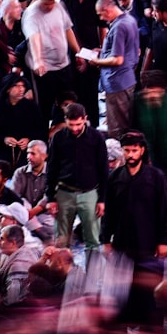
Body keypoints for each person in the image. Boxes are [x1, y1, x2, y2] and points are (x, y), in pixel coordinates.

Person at [102, 131, 167, 262]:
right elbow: (109, 212)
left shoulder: (156, 177)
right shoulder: (115, 177)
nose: (131, 155)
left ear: (142, 150)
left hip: (148, 240)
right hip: (122, 241)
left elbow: (164, 211)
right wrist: (105, 240)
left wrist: (163, 241)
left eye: (134, 150)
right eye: (127, 150)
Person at [47, 103, 108, 248]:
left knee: (93, 241)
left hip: (90, 193)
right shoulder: (58, 138)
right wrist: (51, 198)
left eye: (78, 124)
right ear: (65, 120)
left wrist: (102, 199)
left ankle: (93, 271)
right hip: (64, 193)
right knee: (61, 242)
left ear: (85, 119)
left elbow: (103, 170)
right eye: (71, 124)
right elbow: (52, 169)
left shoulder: (96, 137)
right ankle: (62, 271)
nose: (75, 128)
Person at [22, 0, 82, 125]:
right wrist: (38, 60)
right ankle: (43, 139)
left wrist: (78, 52)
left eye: (51, 3)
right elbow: (34, 38)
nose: (49, 7)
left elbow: (68, 29)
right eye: (45, 4)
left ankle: (65, 130)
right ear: (39, 0)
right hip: (45, 69)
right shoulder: (32, 14)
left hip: (63, 65)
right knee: (44, 105)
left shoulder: (59, 6)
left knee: (67, 102)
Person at [92, 0, 140, 139]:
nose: (102, 18)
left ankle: (118, 159)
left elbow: (118, 59)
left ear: (106, 10)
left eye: (100, 14)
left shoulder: (119, 26)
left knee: (118, 128)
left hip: (117, 83)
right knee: (124, 121)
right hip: (127, 80)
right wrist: (103, 52)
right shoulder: (130, 20)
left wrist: (97, 61)